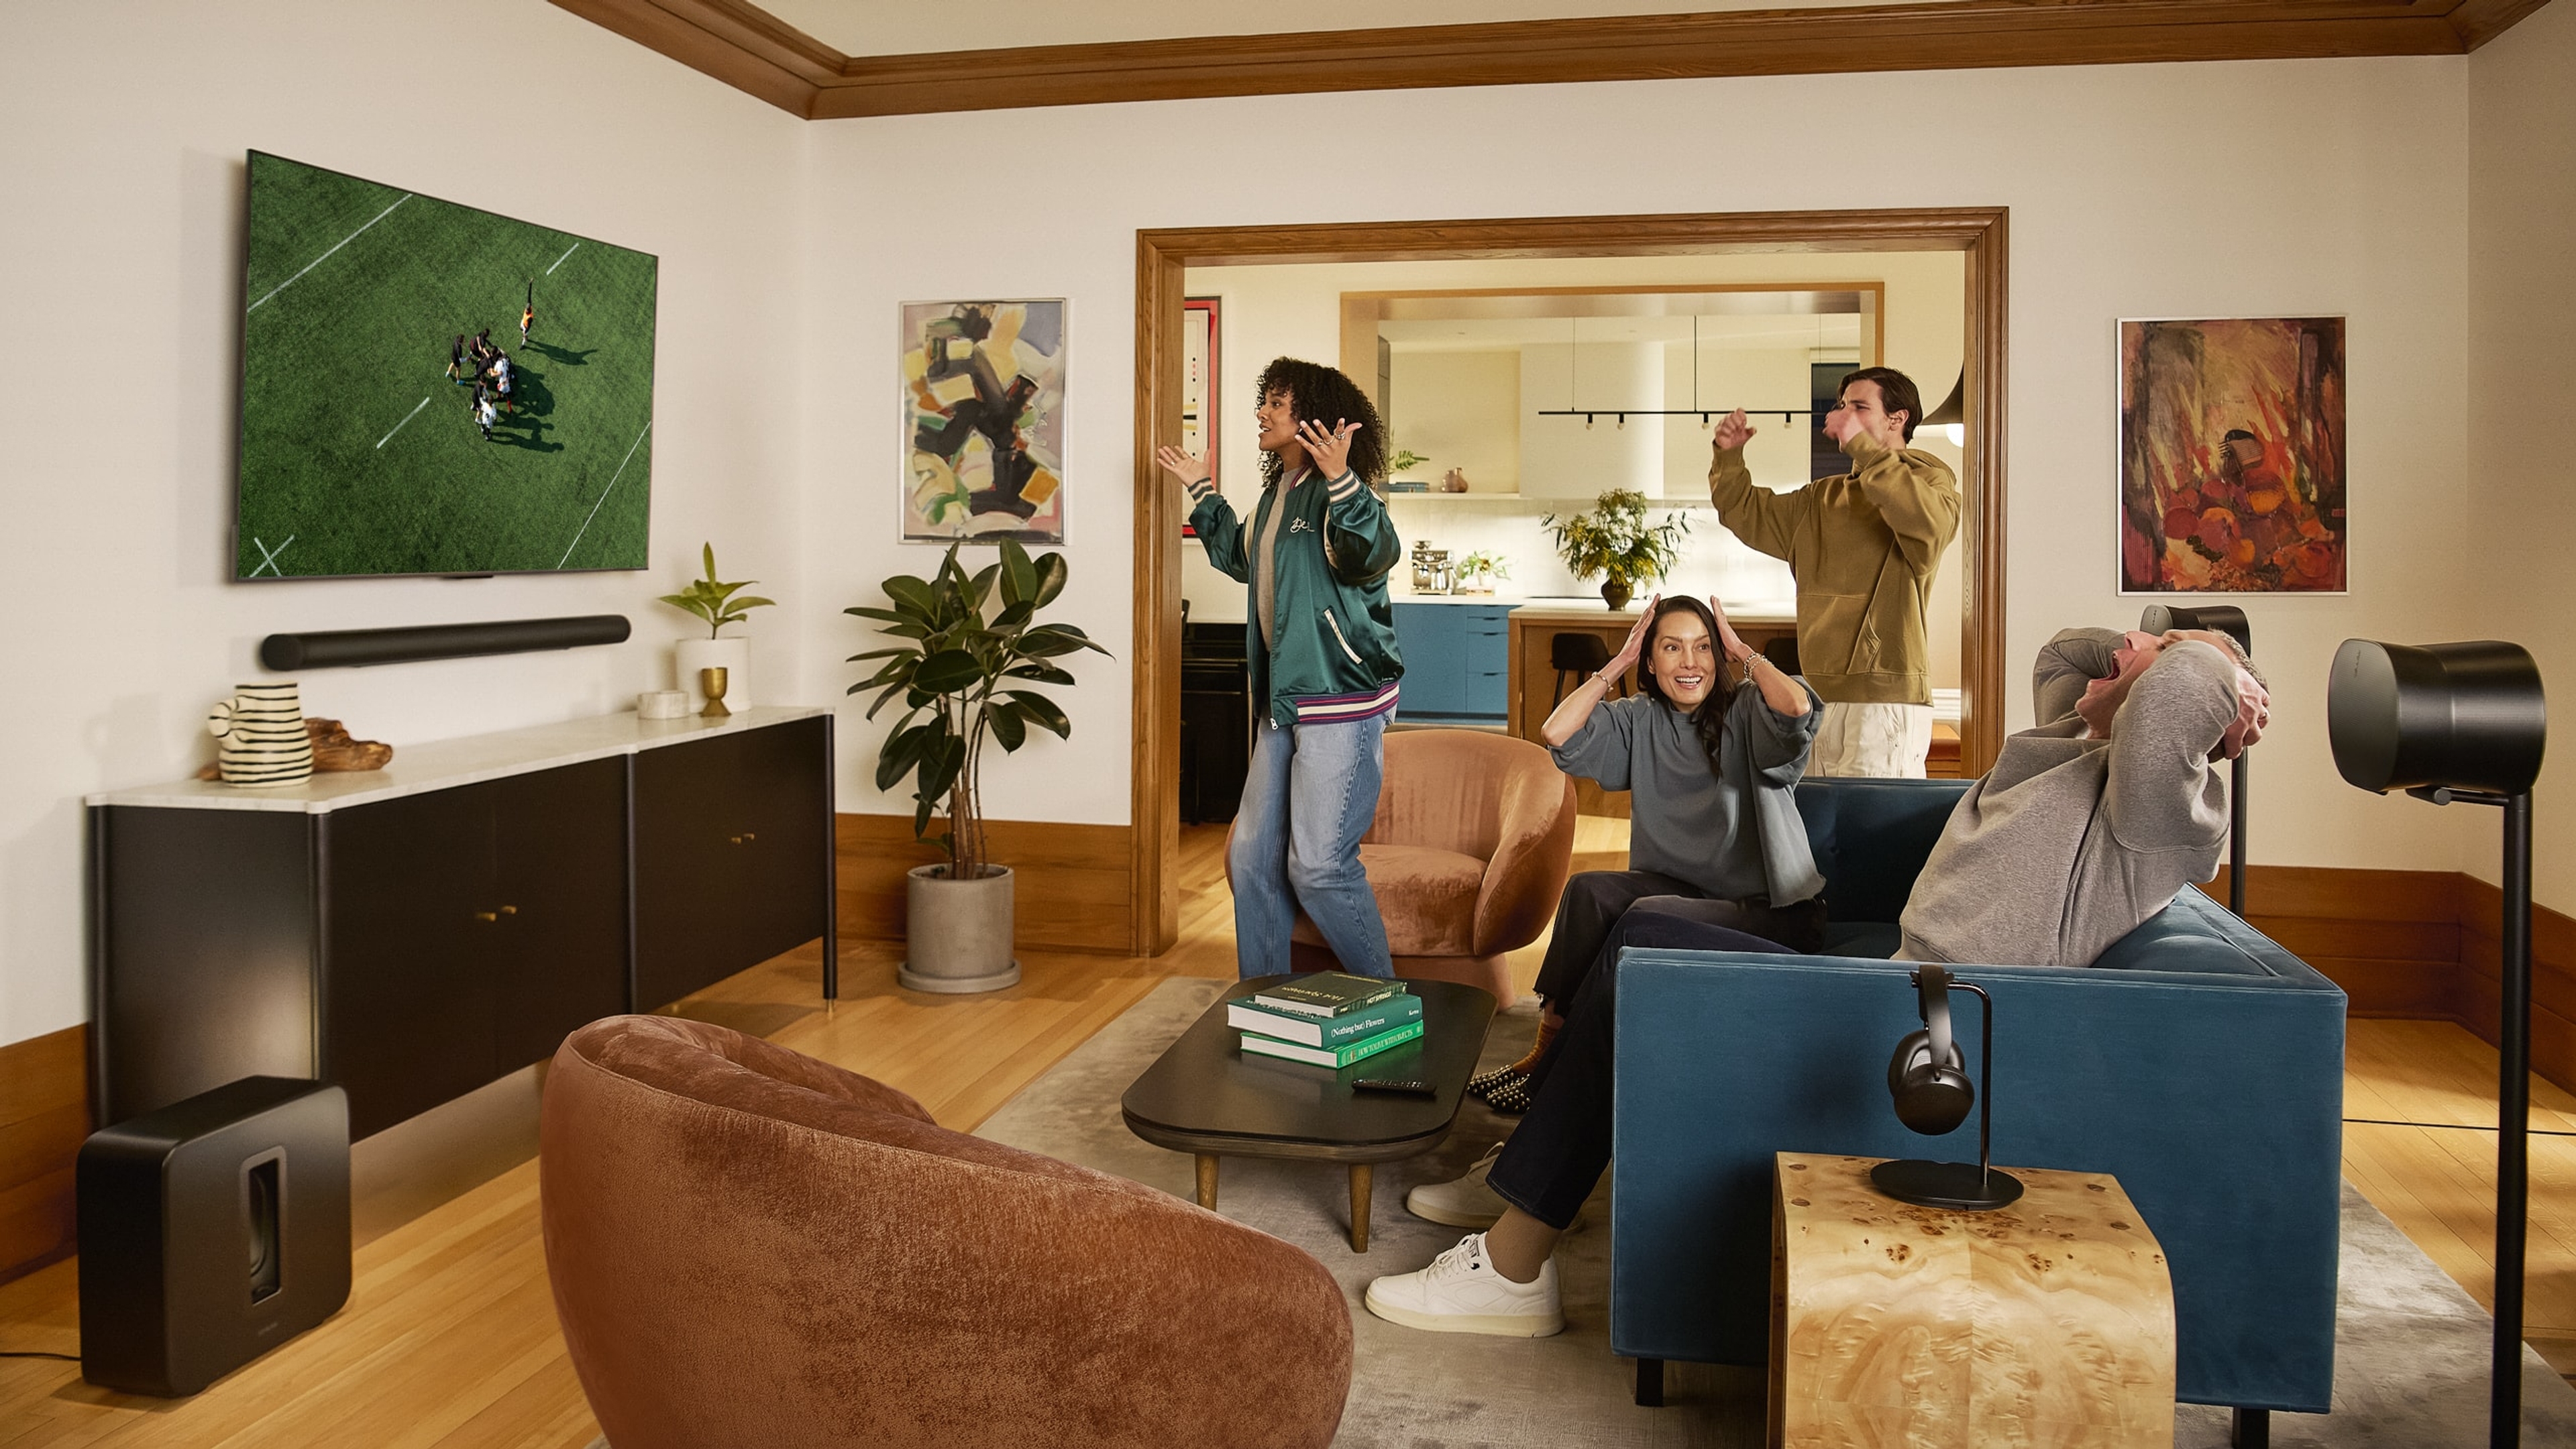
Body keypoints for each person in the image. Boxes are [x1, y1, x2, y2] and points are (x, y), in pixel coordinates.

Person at [1364, 623, 2268, 1338]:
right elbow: (2064, 655)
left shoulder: (2160, 816)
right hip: (1891, 977)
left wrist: (2221, 674)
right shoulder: (2075, 743)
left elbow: (2181, 694)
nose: (2125, 645)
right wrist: (2167, 652)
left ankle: (1513, 1268)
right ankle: (1523, 1172)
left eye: (2151, 649)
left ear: (2182, 708)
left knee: (1645, 966)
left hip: (1921, 1021)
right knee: (1632, 922)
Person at [1461, 593, 1822, 1118]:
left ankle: (1565, 1076)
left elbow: (1796, 709)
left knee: (1642, 917)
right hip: (1685, 893)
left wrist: (1743, 651)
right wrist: (1617, 663)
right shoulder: (1640, 718)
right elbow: (1556, 733)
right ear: (1650, 662)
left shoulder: (1747, 710)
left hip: (1769, 910)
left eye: (1703, 647)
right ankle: (1544, 1055)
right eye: (1671, 648)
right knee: (1587, 891)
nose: (1690, 662)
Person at [1155, 358, 1405, 979]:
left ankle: (1389, 999)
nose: (1262, 412)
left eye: (1276, 402)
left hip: (1338, 700)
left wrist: (1342, 477)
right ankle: (1266, 1000)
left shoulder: (1340, 493)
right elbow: (1243, 559)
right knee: (1249, 862)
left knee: (1319, 868)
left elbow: (1373, 552)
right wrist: (1202, 490)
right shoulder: (1279, 495)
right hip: (1283, 702)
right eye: (1263, 400)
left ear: (1311, 416)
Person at [1706, 367, 1961, 778]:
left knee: (1874, 820)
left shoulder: (1929, 480)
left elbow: (1926, 522)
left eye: (1860, 407)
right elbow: (1744, 510)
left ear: (1897, 419)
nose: (1844, 415)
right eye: (1843, 406)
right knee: (1817, 818)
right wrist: (1729, 457)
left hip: (1883, 697)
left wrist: (1862, 445)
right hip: (1816, 695)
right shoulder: (1820, 498)